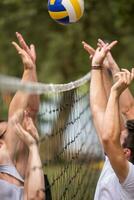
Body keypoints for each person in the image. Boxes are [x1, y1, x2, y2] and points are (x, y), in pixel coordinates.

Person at [83, 41, 134, 199]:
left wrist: (114, 92)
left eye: (121, 133)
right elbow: (100, 111)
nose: (119, 129)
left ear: (125, 152)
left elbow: (108, 137)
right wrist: (99, 67)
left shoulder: (131, 178)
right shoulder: (118, 162)